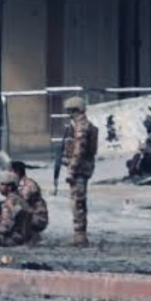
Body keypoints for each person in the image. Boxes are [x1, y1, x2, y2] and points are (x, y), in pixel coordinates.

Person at [61, 97, 99, 247]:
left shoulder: (81, 127)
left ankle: (80, 236)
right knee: (78, 201)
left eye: (70, 111)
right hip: (82, 168)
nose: (69, 115)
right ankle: (80, 235)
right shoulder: (81, 125)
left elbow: (79, 151)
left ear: (76, 110)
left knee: (77, 202)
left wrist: (71, 170)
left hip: (80, 169)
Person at [10, 160, 47, 245]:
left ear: (16, 172)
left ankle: (29, 237)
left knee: (17, 210)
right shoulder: (18, 183)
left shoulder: (28, 185)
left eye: (10, 171)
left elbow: (22, 201)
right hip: (33, 214)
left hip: (38, 217)